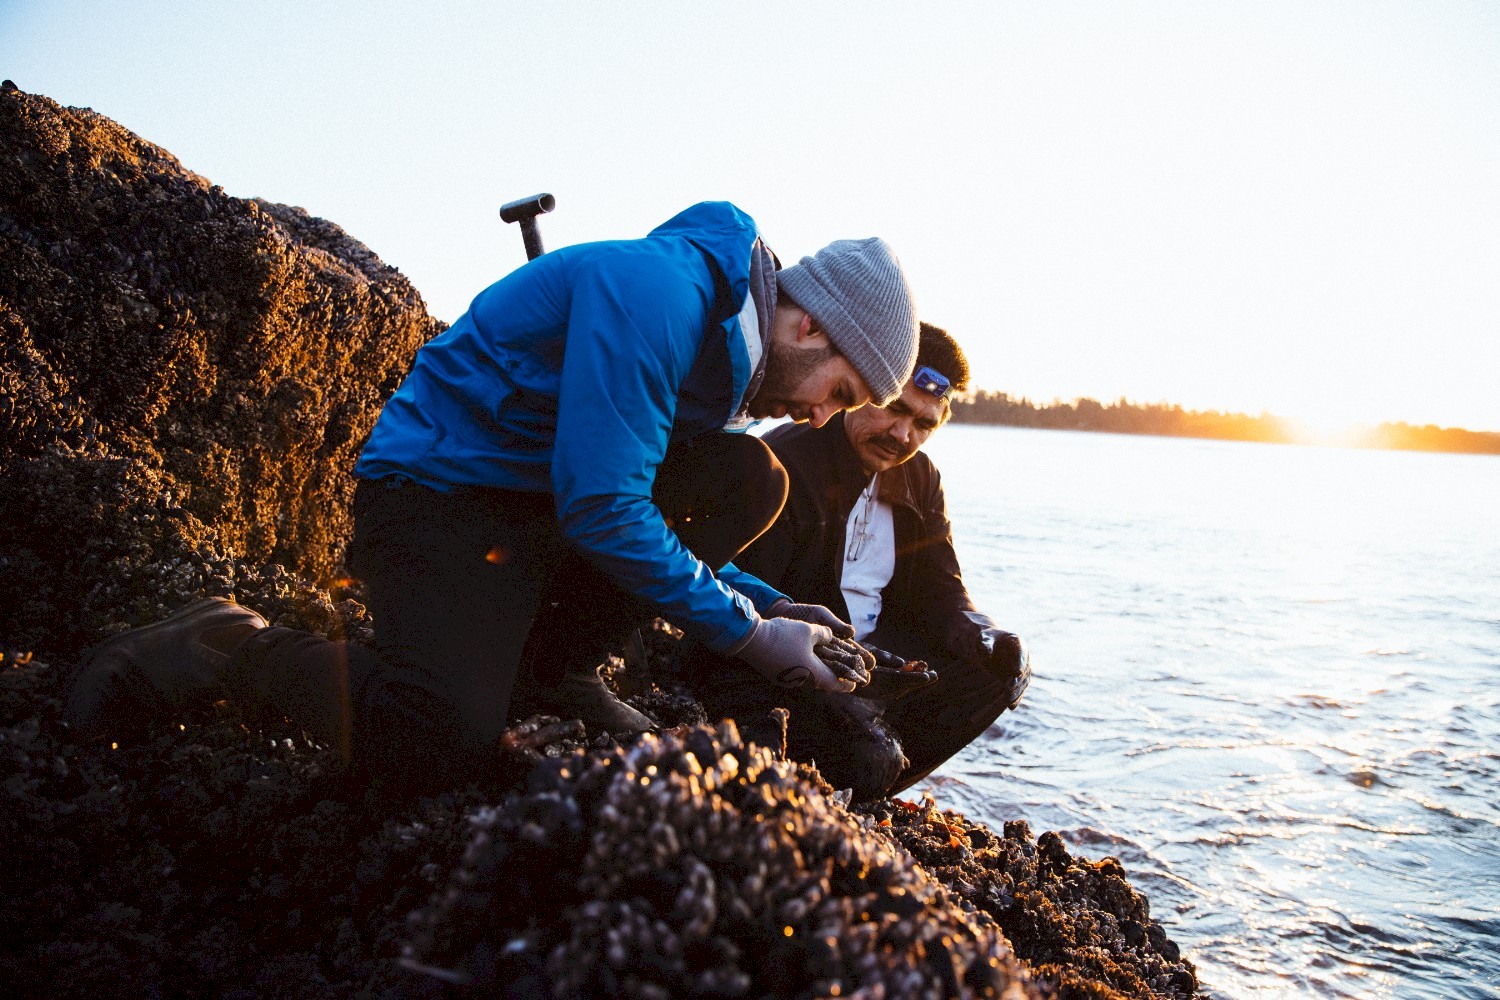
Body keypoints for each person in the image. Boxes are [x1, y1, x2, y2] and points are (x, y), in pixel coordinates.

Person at [64, 201, 918, 789]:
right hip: (437, 493)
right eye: (839, 393)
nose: (818, 417)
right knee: (433, 741)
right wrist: (745, 636)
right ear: (810, 324)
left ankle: (550, 678)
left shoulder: (728, 354)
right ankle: (220, 643)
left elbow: (629, 496)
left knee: (747, 478)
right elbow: (605, 510)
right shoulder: (663, 293)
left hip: (532, 502)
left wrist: (776, 607)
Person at [688, 323, 1030, 800]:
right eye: (895, 409)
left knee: (994, 672)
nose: (902, 434)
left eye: (924, 424)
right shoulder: (788, 461)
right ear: (868, 386)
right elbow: (741, 600)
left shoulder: (920, 477)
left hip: (875, 663)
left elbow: (941, 588)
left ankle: (868, 781)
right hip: (788, 660)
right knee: (870, 760)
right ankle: (854, 775)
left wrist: (982, 631)